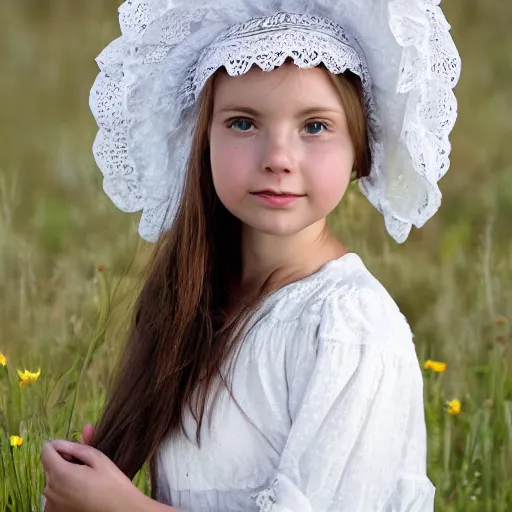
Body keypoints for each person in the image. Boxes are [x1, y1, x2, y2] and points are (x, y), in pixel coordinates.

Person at [41, 1, 461, 511]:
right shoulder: (194, 301)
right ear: (204, 142)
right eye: (243, 123)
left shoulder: (349, 328)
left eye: (314, 127)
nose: (277, 159)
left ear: (360, 147)